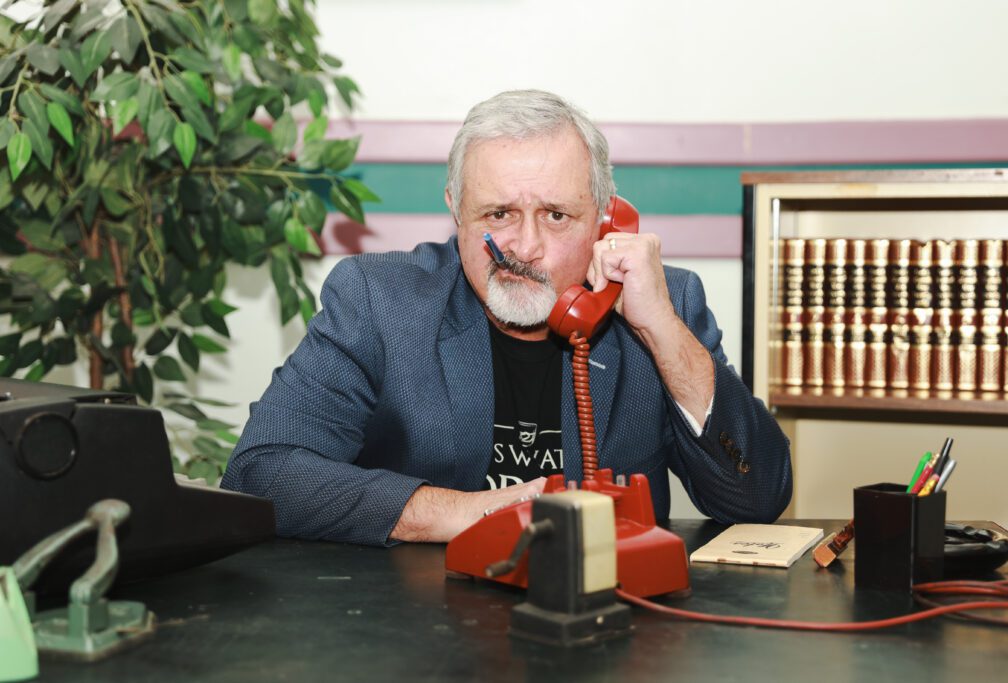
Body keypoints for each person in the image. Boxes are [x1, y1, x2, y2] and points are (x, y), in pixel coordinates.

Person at [222, 90, 792, 546]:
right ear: (455, 209)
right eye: (498, 213)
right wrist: (466, 513)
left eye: (557, 215)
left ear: (605, 219)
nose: (525, 245)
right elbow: (261, 472)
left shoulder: (666, 305)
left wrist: (661, 331)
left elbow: (758, 498)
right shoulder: (378, 300)